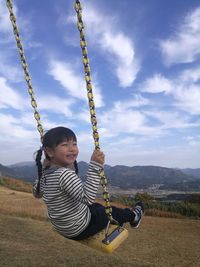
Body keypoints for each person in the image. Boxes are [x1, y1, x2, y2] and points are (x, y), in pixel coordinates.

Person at [33, 126, 144, 240]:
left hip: (63, 227)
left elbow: (37, 193)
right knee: (111, 211)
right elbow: (87, 198)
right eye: (65, 145)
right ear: (50, 151)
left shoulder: (45, 174)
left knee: (97, 207)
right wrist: (95, 166)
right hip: (81, 228)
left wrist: (43, 168)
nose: (72, 149)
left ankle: (116, 218)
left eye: (74, 144)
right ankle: (134, 216)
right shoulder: (64, 174)